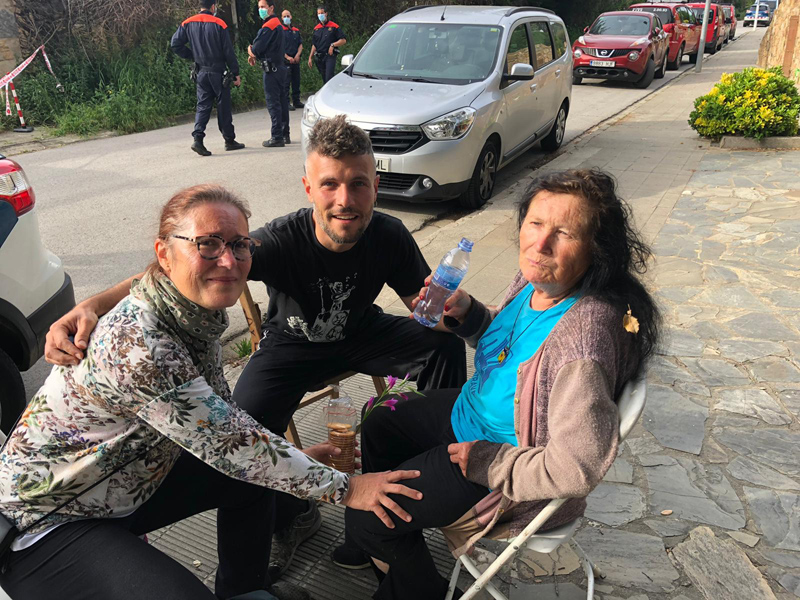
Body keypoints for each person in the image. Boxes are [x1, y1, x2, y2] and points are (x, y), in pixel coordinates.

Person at [43, 116, 467, 581]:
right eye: (330, 185)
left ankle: (432, 466)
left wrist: (455, 312)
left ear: (374, 186)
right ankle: (289, 519)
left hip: (365, 332)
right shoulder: (278, 240)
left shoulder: (389, 235)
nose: (344, 200)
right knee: (245, 430)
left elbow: (425, 309)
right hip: (293, 343)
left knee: (440, 346)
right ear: (309, 187)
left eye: (358, 185)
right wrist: (94, 303)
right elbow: (183, 265)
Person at [0, 184, 423, 600]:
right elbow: (234, 445)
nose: (228, 260)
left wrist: (287, 465)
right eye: (206, 244)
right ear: (164, 254)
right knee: (252, 467)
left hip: (121, 486)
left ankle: (245, 591)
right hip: (46, 519)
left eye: (239, 245)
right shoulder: (140, 345)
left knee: (254, 476)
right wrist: (349, 488)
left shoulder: (189, 313)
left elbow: (233, 436)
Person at [344, 169, 662, 600]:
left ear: (595, 249)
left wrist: (488, 462)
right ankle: (397, 552)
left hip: (497, 461)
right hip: (471, 411)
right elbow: (510, 345)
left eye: (564, 232)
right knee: (381, 419)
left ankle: (420, 583)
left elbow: (575, 469)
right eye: (535, 223)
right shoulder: (540, 281)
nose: (540, 243)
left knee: (368, 517)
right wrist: (469, 313)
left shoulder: (582, 343)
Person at [171, 0, 244, 157]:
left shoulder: (188, 23)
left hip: (201, 72)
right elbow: (228, 52)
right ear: (213, 6)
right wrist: (235, 72)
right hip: (218, 72)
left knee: (203, 105)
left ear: (201, 6)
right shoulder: (219, 23)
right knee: (223, 106)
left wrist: (192, 56)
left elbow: (175, 44)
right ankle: (229, 140)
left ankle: (198, 138)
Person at [249, 0, 289, 147]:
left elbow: (256, 49)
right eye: (259, 7)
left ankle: (277, 136)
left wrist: (250, 51)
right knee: (282, 102)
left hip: (272, 71)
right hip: (280, 68)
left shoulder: (268, 27)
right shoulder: (278, 24)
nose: (260, 10)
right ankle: (285, 134)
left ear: (271, 8)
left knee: (274, 103)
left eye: (263, 7)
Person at [308, 5, 346, 84]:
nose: (320, 15)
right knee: (324, 78)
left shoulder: (334, 26)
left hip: (329, 56)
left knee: (329, 77)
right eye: (318, 13)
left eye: (322, 13)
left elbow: (343, 40)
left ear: (326, 14)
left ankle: (331, 93)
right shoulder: (316, 28)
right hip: (320, 57)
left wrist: (333, 45)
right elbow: (314, 44)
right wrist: (310, 57)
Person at [281, 10, 304, 111]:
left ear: (291, 17)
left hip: (295, 59)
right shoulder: (280, 30)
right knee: (286, 83)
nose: (286, 18)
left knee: (296, 81)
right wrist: (287, 57)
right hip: (285, 60)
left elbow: (300, 44)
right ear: (281, 18)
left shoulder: (296, 30)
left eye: (288, 16)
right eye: (284, 16)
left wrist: (298, 55)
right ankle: (286, 102)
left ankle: (296, 101)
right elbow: (278, 47)